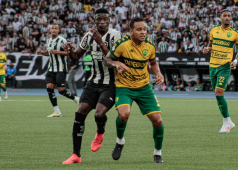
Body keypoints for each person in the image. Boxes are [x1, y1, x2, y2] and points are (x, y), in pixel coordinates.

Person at [62, 8, 122, 164]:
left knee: (99, 114)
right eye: (99, 19)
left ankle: (100, 132)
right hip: (93, 82)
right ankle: (76, 155)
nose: (102, 22)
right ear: (94, 20)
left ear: (110, 20)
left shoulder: (115, 35)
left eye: (105, 19)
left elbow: (113, 59)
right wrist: (69, 51)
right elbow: (76, 57)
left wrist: (101, 43)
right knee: (80, 112)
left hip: (110, 83)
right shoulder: (88, 36)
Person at [102, 17, 165, 163]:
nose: (143, 32)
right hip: (124, 87)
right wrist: (116, 63)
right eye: (139, 29)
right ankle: (120, 141)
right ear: (131, 31)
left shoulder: (149, 46)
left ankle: (157, 153)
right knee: (124, 115)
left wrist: (158, 73)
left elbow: (153, 63)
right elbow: (107, 60)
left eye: (144, 29)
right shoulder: (122, 44)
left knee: (158, 121)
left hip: (144, 87)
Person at [203, 9, 238, 133]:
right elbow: (210, 46)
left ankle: (226, 122)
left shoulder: (235, 33)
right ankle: (228, 122)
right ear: (220, 17)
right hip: (212, 66)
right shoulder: (214, 30)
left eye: (229, 16)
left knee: (219, 92)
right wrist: (207, 49)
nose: (226, 17)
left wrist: (235, 61)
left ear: (231, 18)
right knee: (217, 94)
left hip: (225, 66)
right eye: (224, 15)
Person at [37, 24, 79, 118]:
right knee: (49, 88)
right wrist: (42, 53)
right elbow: (49, 53)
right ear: (50, 30)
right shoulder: (49, 40)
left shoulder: (62, 40)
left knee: (61, 90)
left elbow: (68, 53)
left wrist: (57, 52)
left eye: (56, 29)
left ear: (59, 30)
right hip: (51, 68)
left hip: (61, 68)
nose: (54, 30)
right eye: (52, 28)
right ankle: (57, 111)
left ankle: (76, 100)